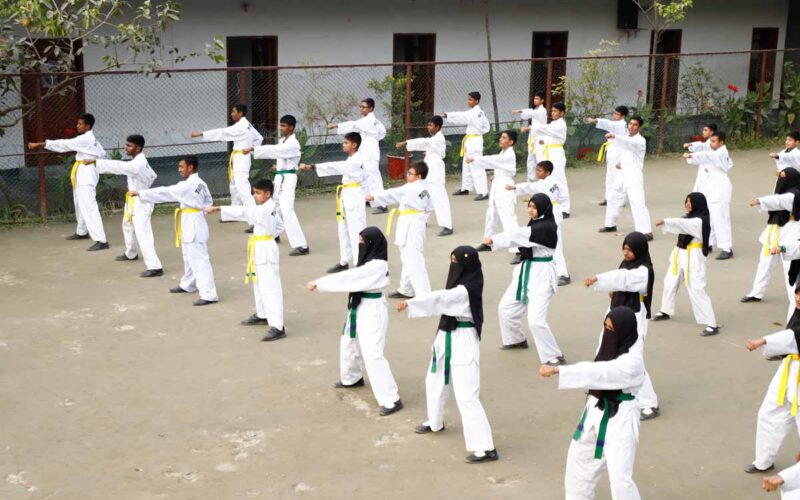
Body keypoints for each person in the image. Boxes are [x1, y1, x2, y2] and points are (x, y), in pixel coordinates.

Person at [396, 246, 498, 464]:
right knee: (434, 380)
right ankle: (435, 421)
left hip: (463, 338)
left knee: (466, 394)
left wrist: (412, 302)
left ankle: (485, 447)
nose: (453, 265)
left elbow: (442, 298)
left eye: (457, 261)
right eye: (451, 260)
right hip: (445, 335)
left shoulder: (468, 288)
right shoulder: (460, 285)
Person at [539, 306, 645, 500]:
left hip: (620, 420)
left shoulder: (633, 362)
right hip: (595, 409)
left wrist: (560, 371)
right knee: (578, 464)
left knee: (620, 479)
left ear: (623, 332)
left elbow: (600, 372)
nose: (607, 332)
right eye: (605, 327)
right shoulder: (608, 348)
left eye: (611, 329)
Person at [307, 227, 403, 417]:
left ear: (371, 244)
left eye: (362, 241)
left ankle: (391, 399)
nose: (360, 245)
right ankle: (352, 377)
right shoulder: (367, 262)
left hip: (372, 309)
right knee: (349, 342)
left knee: (372, 353)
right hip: (359, 305)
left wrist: (321, 283)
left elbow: (350, 277)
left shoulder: (377, 265)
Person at [583, 232, 659, 420]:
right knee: (605, 348)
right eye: (624, 248)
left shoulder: (644, 271)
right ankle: (603, 389)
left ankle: (649, 403)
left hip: (632, 317)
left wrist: (598, 279)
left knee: (631, 356)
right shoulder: (625, 264)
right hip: (616, 312)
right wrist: (613, 291)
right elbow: (620, 280)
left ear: (639, 250)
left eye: (630, 250)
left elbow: (624, 279)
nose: (625, 253)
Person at [485, 193, 566, 366]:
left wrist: (493, 240)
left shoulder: (546, 227)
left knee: (536, 321)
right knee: (505, 308)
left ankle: (554, 356)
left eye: (534, 207)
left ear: (544, 208)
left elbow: (519, 235)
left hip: (542, 275)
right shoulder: (535, 224)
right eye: (529, 206)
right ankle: (515, 339)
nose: (530, 210)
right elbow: (521, 235)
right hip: (525, 270)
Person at [131, 155, 218, 306]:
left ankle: (209, 294)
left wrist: (141, 193)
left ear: (191, 167)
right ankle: (188, 284)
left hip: (193, 222)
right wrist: (201, 210)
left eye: (181, 167)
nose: (179, 170)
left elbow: (167, 192)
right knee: (188, 255)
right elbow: (208, 201)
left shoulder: (188, 186)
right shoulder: (200, 182)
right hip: (190, 219)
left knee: (199, 259)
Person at [205, 179, 286, 342]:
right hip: (261, 244)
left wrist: (220, 208)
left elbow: (243, 212)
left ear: (267, 194)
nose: (254, 196)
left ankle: (278, 326)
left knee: (270, 287)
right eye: (254, 192)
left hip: (265, 247)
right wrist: (268, 236)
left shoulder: (265, 210)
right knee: (258, 283)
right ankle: (263, 314)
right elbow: (279, 227)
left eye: (257, 192)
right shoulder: (269, 207)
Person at [28, 113, 108, 250]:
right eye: (77, 123)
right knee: (79, 202)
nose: (77, 126)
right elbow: (102, 153)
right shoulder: (90, 139)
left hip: (87, 172)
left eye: (80, 124)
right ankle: (82, 231)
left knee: (89, 205)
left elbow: (64, 144)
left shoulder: (86, 139)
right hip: (82, 170)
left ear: (88, 126)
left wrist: (40, 144)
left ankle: (101, 240)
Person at [86, 134, 162, 276]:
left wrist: (97, 163)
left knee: (143, 234)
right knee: (127, 225)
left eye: (129, 145)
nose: (125, 147)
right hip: (133, 199)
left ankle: (155, 267)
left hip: (142, 201)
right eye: (126, 144)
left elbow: (122, 167)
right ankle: (131, 253)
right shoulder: (137, 160)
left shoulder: (137, 163)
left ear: (138, 148)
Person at [745, 289, 800, 475]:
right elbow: (791, 334)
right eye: (798, 293)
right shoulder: (798, 311)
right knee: (769, 412)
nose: (798, 298)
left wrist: (764, 341)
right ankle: (764, 460)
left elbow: (793, 337)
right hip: (788, 369)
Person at [652, 192, 719, 336]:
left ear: (698, 204)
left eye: (690, 202)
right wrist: (668, 223)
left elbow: (682, 224)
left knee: (696, 289)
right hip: (679, 253)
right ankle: (665, 310)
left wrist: (665, 221)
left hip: (693, 257)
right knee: (669, 281)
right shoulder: (689, 217)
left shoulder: (700, 220)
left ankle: (712, 324)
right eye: (686, 201)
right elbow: (681, 224)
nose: (687, 204)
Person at [299, 132, 366, 273]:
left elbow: (336, 166)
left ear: (354, 145)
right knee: (343, 228)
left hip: (354, 194)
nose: (343, 144)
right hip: (345, 194)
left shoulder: (357, 160)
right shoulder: (350, 158)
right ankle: (344, 261)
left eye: (346, 142)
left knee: (356, 229)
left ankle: (360, 262)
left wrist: (313, 167)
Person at [243, 114, 309, 256]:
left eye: (284, 126)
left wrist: (254, 149)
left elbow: (276, 151)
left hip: (288, 178)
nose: (281, 128)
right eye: (280, 125)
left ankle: (301, 245)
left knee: (287, 210)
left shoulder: (293, 143)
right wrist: (277, 166)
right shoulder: (283, 141)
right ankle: (275, 233)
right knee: (274, 207)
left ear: (291, 127)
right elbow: (280, 155)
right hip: (280, 177)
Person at [366, 162, 432, 299]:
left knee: (414, 260)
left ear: (419, 176)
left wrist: (374, 197)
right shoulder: (425, 187)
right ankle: (406, 289)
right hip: (415, 222)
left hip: (411, 225)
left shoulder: (412, 188)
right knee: (408, 258)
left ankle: (425, 295)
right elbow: (429, 207)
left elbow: (393, 193)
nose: (407, 175)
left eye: (410, 174)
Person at [742, 167, 800, 312]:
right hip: (775, 231)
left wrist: (760, 201)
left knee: (790, 270)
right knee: (765, 262)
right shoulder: (785, 191)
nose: (781, 179)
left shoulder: (795, 195)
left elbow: (779, 201)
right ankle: (757, 292)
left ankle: (795, 302)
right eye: (780, 176)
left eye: (784, 177)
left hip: (791, 232)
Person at [507, 160, 570, 285]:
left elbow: (530, 186)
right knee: (543, 241)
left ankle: (564, 274)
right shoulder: (553, 182)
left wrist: (515, 187)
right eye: (537, 170)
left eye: (540, 171)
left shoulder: (546, 184)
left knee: (556, 245)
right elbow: (563, 197)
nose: (537, 173)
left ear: (548, 172)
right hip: (550, 212)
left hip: (551, 213)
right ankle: (543, 267)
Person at [190, 103, 263, 211]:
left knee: (242, 187)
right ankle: (235, 211)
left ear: (240, 113)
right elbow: (259, 138)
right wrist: (251, 150)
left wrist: (202, 134)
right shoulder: (247, 124)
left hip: (241, 157)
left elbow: (222, 133)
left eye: (234, 112)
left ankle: (255, 215)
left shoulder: (240, 127)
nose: (231, 114)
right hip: (239, 157)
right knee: (234, 186)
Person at [329, 98, 388, 214]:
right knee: (362, 175)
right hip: (364, 150)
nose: (361, 109)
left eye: (363, 107)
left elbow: (353, 125)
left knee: (373, 177)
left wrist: (336, 125)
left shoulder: (369, 120)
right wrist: (374, 137)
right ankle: (368, 198)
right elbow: (383, 132)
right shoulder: (372, 120)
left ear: (370, 108)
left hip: (370, 152)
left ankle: (382, 204)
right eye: (360, 106)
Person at [599, 116, 653, 240]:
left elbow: (629, 145)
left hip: (634, 175)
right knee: (613, 197)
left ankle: (646, 232)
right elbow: (624, 150)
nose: (631, 126)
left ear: (639, 127)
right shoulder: (626, 138)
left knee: (637, 202)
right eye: (630, 124)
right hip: (622, 173)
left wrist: (614, 136)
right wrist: (620, 163)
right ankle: (610, 224)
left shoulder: (640, 140)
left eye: (635, 125)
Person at [397, 115, 453, 236]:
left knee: (440, 199)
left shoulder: (438, 138)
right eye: (428, 125)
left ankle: (447, 226)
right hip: (429, 171)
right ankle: (423, 219)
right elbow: (429, 146)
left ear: (438, 127)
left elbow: (425, 142)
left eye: (431, 125)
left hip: (436, 172)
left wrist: (406, 142)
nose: (428, 127)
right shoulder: (434, 139)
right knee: (426, 197)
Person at [683, 131, 734, 260]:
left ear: (721, 142)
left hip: (720, 189)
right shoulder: (715, 153)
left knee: (721, 218)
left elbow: (706, 156)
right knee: (709, 217)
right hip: (711, 188)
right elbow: (705, 157)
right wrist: (691, 157)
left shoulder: (721, 153)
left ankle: (727, 248)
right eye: (710, 141)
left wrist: (691, 155)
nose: (711, 144)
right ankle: (709, 243)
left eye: (713, 141)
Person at [469, 130, 519, 254]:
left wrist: (475, 159)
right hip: (498, 186)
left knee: (508, 219)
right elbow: (501, 167)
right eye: (501, 137)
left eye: (504, 138)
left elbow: (493, 160)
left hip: (505, 188)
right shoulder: (503, 152)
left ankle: (519, 249)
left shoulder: (509, 154)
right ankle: (489, 242)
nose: (500, 139)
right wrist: (496, 176)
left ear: (511, 142)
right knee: (491, 216)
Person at [441, 91, 491, 201]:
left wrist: (447, 115)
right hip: (471, 140)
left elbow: (462, 116)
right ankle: (466, 188)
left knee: (476, 165)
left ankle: (483, 192)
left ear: (476, 101)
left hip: (474, 141)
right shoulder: (477, 112)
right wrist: (479, 133)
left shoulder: (476, 113)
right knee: (466, 165)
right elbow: (486, 127)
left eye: (470, 100)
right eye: (468, 99)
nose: (468, 101)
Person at [527, 102, 571, 216]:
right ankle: (547, 204)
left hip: (556, 154)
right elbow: (550, 134)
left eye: (555, 111)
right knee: (548, 179)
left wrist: (531, 127)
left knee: (559, 180)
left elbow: (547, 129)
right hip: (549, 153)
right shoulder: (554, 123)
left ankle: (565, 208)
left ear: (562, 113)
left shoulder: (561, 124)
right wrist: (544, 141)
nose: (552, 113)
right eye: (552, 111)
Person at [587, 106, 629, 207]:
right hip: (612, 151)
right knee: (609, 176)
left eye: (617, 114)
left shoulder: (621, 125)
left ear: (622, 116)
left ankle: (620, 200)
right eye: (614, 113)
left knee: (618, 176)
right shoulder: (616, 124)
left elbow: (608, 124)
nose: (615, 115)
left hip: (619, 152)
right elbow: (609, 124)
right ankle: (608, 198)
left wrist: (596, 120)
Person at [512, 92, 548, 181]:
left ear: (542, 100)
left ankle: (542, 179)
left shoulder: (542, 111)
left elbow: (539, 125)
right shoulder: (536, 110)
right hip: (533, 138)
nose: (535, 100)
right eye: (534, 98)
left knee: (540, 158)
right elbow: (531, 113)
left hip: (540, 139)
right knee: (531, 159)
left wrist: (520, 111)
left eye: (537, 99)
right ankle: (530, 178)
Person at [681, 123, 718, 193]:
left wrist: (690, 154)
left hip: (709, 169)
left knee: (706, 189)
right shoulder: (710, 142)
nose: (703, 132)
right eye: (703, 130)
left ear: (712, 132)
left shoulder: (713, 143)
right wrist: (691, 146)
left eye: (706, 130)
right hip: (705, 167)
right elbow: (703, 147)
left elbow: (703, 148)